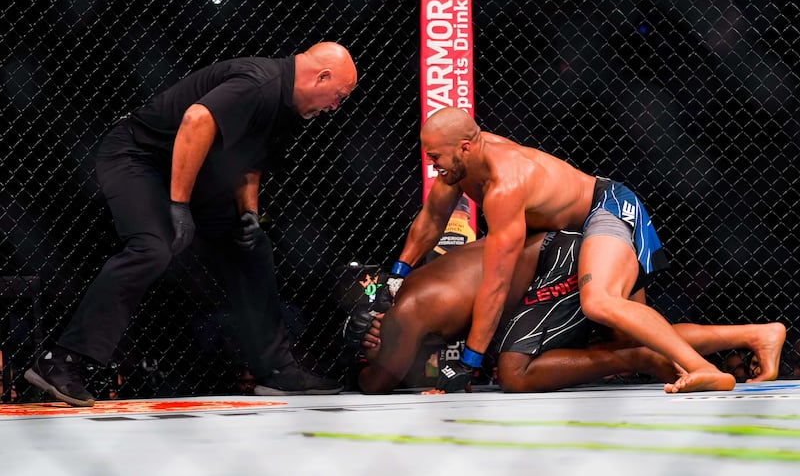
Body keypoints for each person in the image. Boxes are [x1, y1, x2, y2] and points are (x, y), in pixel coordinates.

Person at [25, 42, 357, 407]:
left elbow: (249, 162)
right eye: (338, 95)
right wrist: (179, 206)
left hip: (194, 173)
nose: (334, 107)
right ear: (322, 76)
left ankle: (276, 371)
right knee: (152, 246)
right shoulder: (260, 82)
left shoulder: (289, 108)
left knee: (252, 246)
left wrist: (247, 215)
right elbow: (196, 120)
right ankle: (63, 360)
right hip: (139, 157)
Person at [379, 106, 739, 394]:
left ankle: (704, 369)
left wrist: (469, 362)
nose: (432, 164)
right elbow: (429, 224)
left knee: (600, 303)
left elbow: (497, 283)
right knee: (630, 335)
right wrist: (396, 278)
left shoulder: (506, 184)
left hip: (606, 209)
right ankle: (760, 336)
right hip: (567, 237)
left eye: (436, 156)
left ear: (466, 147)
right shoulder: (458, 168)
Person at [350, 230, 785, 394]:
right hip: (572, 249)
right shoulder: (421, 284)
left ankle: (635, 360)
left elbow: (379, 382)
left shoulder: (411, 311)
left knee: (515, 372)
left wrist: (369, 358)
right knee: (634, 331)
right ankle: (755, 333)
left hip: (558, 263)